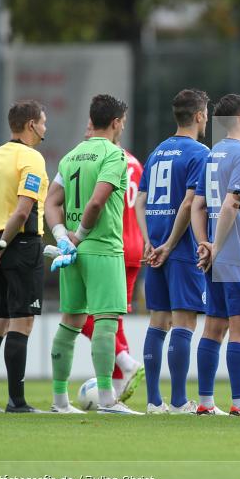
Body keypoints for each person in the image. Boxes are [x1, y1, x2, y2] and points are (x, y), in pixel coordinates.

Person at [45, 94, 140, 414]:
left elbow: (51, 202)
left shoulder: (71, 155)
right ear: (115, 122)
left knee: (70, 322)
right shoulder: (114, 155)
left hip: (72, 253)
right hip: (102, 247)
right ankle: (107, 400)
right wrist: (80, 234)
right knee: (106, 322)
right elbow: (97, 202)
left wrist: (63, 236)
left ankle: (60, 401)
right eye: (122, 122)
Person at [190, 94, 240, 417]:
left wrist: (204, 243)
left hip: (215, 255)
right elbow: (231, 203)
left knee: (213, 327)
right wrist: (218, 246)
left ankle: (206, 402)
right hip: (237, 254)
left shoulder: (212, 154)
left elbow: (197, 205)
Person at [136, 89, 210, 414]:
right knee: (183, 321)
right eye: (206, 115)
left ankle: (154, 401)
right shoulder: (200, 153)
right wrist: (169, 243)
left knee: (157, 321)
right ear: (199, 116)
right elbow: (190, 202)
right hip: (180, 249)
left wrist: (149, 241)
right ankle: (179, 401)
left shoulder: (157, 152)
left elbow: (139, 200)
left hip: (154, 248)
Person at [0, 100, 49, 413]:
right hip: (21, 245)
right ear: (31, 124)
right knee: (22, 322)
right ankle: (16, 401)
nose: (45, 128)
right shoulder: (31, 158)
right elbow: (22, 211)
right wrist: (3, 245)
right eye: (43, 122)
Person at [77, 121, 144, 402]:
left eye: (90, 127)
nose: (86, 133)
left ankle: (126, 362)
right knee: (114, 318)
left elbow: (94, 202)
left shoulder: (100, 160)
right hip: (135, 245)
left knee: (80, 314)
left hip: (109, 244)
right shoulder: (135, 163)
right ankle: (116, 389)